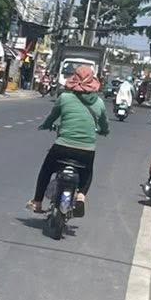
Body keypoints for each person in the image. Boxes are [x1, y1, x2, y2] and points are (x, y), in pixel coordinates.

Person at [30, 62, 108, 212]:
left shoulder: (64, 98)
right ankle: (81, 196)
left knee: (46, 170)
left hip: (62, 147)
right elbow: (104, 124)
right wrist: (104, 131)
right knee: (87, 172)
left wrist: (46, 125)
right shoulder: (99, 103)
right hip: (86, 151)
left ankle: (37, 202)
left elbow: (52, 116)